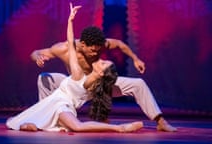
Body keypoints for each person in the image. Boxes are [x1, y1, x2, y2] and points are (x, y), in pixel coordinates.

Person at [31, 6, 177, 133]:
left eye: (98, 50)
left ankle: (160, 121)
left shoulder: (102, 44)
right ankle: (45, 117)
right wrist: (38, 56)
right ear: (82, 44)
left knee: (138, 83)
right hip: (75, 87)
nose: (96, 53)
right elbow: (36, 52)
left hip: (98, 85)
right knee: (43, 77)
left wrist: (135, 59)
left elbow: (120, 44)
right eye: (92, 51)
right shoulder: (64, 49)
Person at [6, 3, 143, 133]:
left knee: (74, 126)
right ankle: (120, 128)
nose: (101, 60)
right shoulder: (78, 73)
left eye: (103, 63)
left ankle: (34, 124)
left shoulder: (95, 88)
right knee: (77, 126)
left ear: (101, 73)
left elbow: (102, 95)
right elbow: (71, 44)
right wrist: (70, 20)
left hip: (67, 108)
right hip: (58, 103)